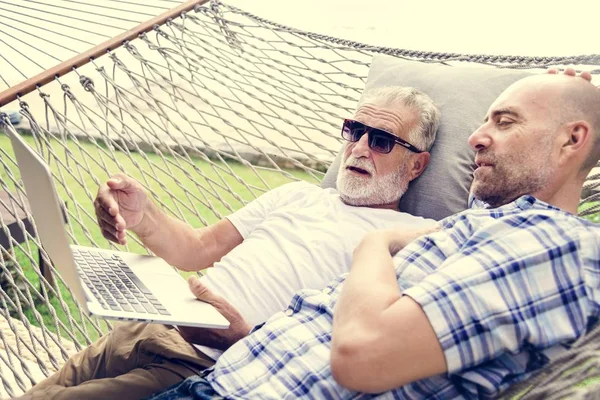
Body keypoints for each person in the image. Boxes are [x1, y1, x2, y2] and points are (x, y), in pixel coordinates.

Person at [147, 71, 600, 400]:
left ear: (570, 140)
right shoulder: (486, 224)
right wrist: (572, 100)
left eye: (505, 121)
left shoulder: (554, 242)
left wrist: (375, 244)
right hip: (228, 376)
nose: (475, 138)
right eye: (355, 133)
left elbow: (362, 353)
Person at [20, 86, 440, 400]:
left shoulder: (411, 239)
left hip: (206, 364)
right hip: (146, 324)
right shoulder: (298, 194)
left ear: (417, 163)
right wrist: (143, 217)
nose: (359, 148)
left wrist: (246, 336)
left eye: (381, 140)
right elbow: (197, 249)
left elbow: (357, 349)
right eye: (355, 131)